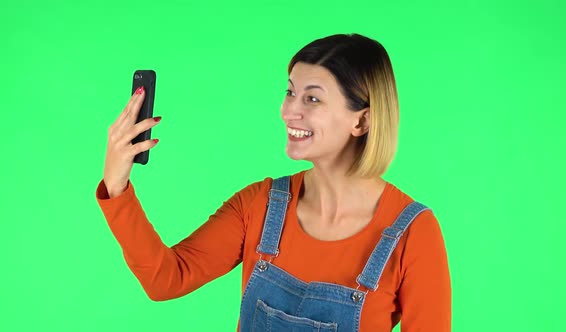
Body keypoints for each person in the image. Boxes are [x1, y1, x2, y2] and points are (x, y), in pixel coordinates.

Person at [96, 33, 451, 331]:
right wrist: (116, 185)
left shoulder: (413, 234)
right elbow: (167, 278)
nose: (288, 110)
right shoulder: (260, 205)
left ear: (362, 121)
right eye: (290, 92)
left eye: (312, 98)